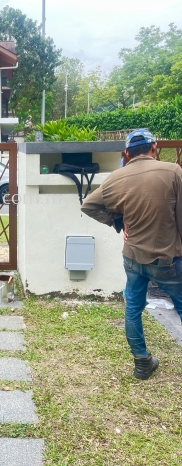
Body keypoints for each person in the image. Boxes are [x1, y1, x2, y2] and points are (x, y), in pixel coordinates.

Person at [81, 128, 182, 380]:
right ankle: (142, 362)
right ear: (154, 148)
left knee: (133, 308)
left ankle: (142, 363)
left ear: (126, 153)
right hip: (168, 259)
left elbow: (88, 205)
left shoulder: (116, 177)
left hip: (133, 259)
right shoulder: (173, 172)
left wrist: (119, 222)